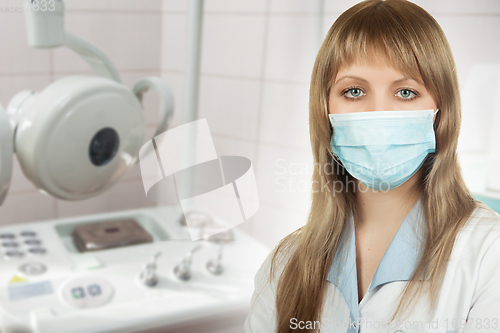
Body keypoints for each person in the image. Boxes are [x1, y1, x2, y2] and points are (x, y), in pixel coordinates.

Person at [244, 0, 500, 332]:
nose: (378, 113)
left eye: (406, 92)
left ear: (441, 112)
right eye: (353, 91)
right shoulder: (284, 264)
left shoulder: (487, 255)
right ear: (325, 111)